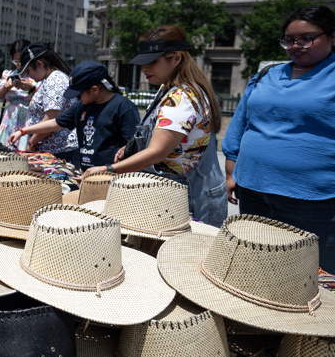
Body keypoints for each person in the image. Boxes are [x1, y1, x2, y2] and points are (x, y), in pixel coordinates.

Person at [222, 6, 335, 275]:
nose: (296, 46)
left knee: (310, 281)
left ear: (333, 37)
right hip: (255, 194)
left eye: (307, 38)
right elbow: (241, 124)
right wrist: (232, 171)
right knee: (255, 274)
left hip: (325, 203)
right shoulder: (267, 75)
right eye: (289, 40)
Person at [82, 25, 227, 227]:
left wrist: (109, 169)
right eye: (143, 62)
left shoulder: (181, 98)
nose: (144, 68)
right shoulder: (166, 89)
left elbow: (158, 152)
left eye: (152, 62)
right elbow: (164, 138)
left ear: (176, 59)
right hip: (173, 195)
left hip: (188, 200)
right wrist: (133, 148)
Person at [9, 61, 139, 170]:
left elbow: (133, 147)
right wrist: (23, 131)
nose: (76, 98)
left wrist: (111, 168)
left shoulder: (123, 107)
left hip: (111, 175)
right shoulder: (81, 106)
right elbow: (55, 123)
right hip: (86, 172)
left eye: (79, 94)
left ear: (94, 89)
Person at [15, 42, 79, 164]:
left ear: (40, 64)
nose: (28, 75)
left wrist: (32, 142)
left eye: (28, 70)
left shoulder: (55, 79)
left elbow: (51, 118)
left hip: (61, 149)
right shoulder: (49, 79)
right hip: (54, 147)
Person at [0, 39, 36, 151]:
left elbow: (43, 97)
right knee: (4, 152)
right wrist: (6, 87)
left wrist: (31, 88)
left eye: (22, 60)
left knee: (22, 154)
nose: (19, 65)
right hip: (10, 119)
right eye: (16, 61)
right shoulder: (9, 74)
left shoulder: (36, 76)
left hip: (27, 119)